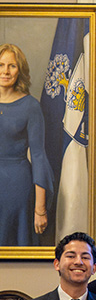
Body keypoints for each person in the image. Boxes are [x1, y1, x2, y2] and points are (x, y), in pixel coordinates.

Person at [0, 43, 53, 246]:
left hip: (17, 187)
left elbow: (39, 156)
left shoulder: (31, 106)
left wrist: (40, 209)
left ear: (19, 70)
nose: (5, 71)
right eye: (1, 64)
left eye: (12, 66)